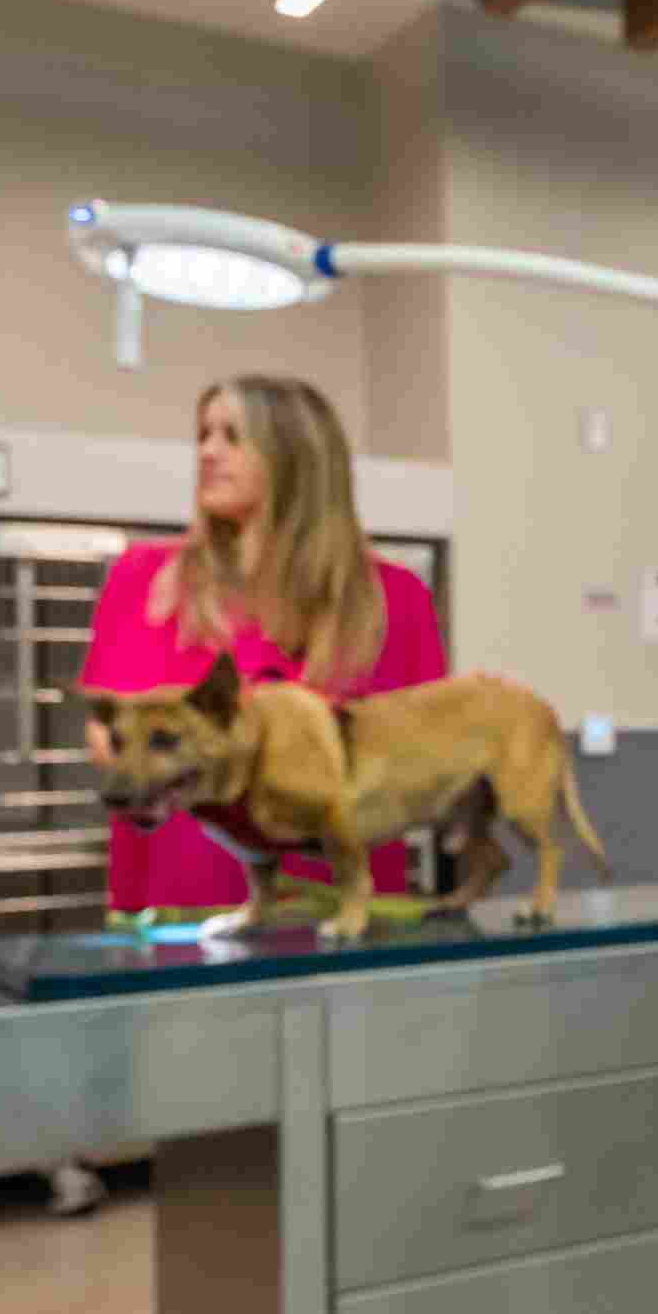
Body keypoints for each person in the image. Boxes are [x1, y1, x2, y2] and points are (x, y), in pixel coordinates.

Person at [77, 374, 449, 920]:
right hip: (182, 912)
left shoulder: (397, 599)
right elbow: (107, 741)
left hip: (349, 910)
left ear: (296, 457)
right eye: (203, 435)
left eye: (232, 436)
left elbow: (419, 762)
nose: (207, 452)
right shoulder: (144, 579)